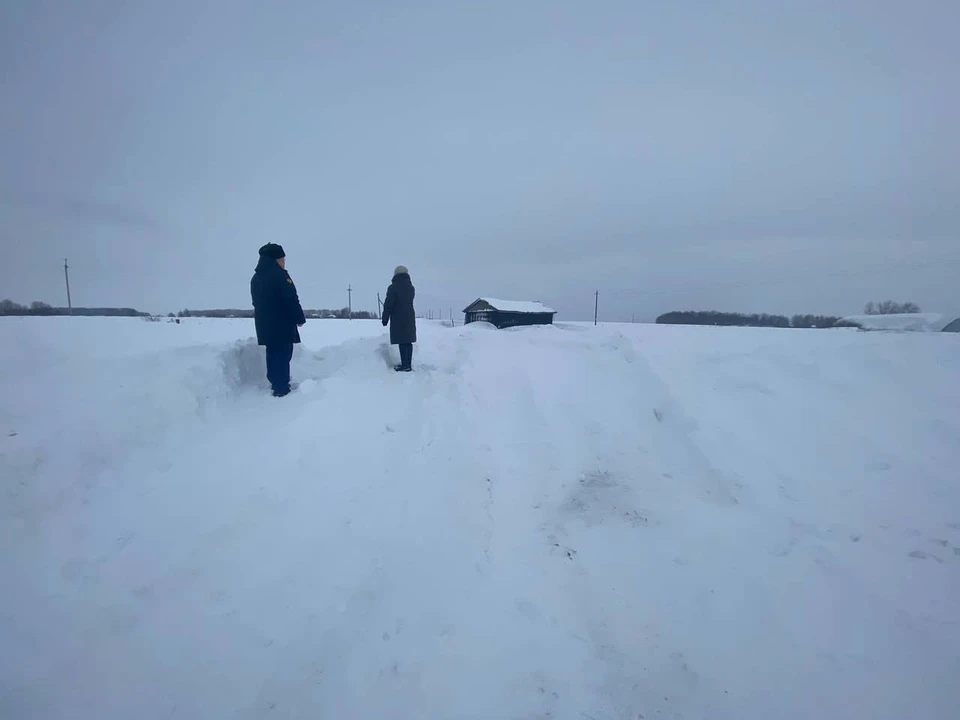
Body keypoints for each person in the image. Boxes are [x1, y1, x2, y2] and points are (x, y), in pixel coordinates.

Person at [251, 243, 306, 396]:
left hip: (265, 324)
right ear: (275, 259)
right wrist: (299, 317)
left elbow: (256, 302)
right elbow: (291, 298)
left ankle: (275, 382)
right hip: (282, 324)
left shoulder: (256, 278)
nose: (284, 262)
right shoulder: (281, 275)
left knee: (272, 353)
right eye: (282, 259)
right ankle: (281, 388)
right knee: (283, 354)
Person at [381, 265, 417, 371]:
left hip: (398, 317)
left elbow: (389, 304)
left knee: (402, 341)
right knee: (408, 341)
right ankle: (407, 364)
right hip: (409, 317)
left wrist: (385, 318)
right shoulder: (411, 287)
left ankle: (405, 366)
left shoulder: (393, 287)